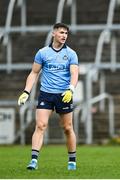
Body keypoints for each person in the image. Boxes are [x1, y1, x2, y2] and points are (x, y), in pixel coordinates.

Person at [18, 23, 79, 170]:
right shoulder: (42, 53)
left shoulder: (71, 53)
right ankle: (33, 161)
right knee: (40, 125)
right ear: (54, 33)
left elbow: (74, 73)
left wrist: (71, 89)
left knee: (67, 128)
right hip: (46, 94)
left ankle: (72, 161)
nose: (64, 35)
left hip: (64, 95)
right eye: (61, 32)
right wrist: (26, 92)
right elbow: (34, 73)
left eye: (66, 33)